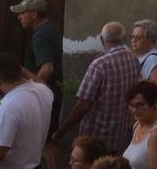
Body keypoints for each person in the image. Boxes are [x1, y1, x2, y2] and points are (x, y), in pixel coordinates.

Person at [52, 22, 140, 155]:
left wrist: (61, 132)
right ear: (123, 39)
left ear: (101, 39)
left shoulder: (100, 64)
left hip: (96, 137)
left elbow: (83, 105)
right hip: (118, 134)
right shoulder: (133, 59)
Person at [11, 0, 63, 169]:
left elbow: (47, 67)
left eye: (22, 13)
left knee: (46, 141)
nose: (19, 17)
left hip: (45, 95)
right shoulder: (52, 29)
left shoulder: (40, 35)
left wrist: (34, 87)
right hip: (54, 93)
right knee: (49, 141)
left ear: (33, 14)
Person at [130, 20, 157, 120]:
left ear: (150, 40)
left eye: (138, 37)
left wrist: (142, 86)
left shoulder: (153, 59)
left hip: (153, 115)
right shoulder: (142, 55)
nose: (133, 40)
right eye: (132, 36)